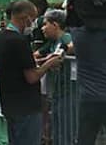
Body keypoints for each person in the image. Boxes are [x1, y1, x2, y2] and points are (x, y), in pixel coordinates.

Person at [0, 0, 63, 145]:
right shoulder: (19, 41)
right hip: (26, 106)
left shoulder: (1, 38)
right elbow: (31, 77)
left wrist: (39, 61)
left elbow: (16, 65)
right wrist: (49, 63)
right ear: (26, 18)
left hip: (9, 103)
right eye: (33, 19)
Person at [35, 10, 74, 145]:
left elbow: (71, 46)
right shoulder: (51, 43)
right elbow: (36, 55)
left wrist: (58, 55)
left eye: (45, 24)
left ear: (55, 25)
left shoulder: (65, 38)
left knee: (66, 129)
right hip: (57, 92)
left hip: (69, 92)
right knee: (57, 128)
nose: (42, 28)